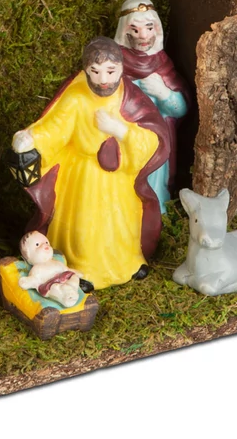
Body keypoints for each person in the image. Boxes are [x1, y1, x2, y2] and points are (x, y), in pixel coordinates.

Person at [11, 37, 168, 288]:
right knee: (86, 226)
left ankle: (128, 263)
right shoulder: (76, 96)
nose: (103, 79)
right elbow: (54, 129)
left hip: (120, 178)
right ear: (86, 70)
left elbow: (153, 137)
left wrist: (120, 130)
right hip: (83, 176)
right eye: (95, 71)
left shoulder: (130, 98)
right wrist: (30, 139)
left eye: (110, 71)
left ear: (121, 68)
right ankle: (82, 268)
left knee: (122, 223)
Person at [113, 0, 189, 210]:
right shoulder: (114, 63)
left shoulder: (162, 65)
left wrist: (164, 94)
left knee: (154, 186)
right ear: (124, 31)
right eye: (135, 30)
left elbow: (181, 109)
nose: (143, 36)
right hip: (123, 138)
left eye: (148, 28)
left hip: (156, 142)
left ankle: (156, 211)